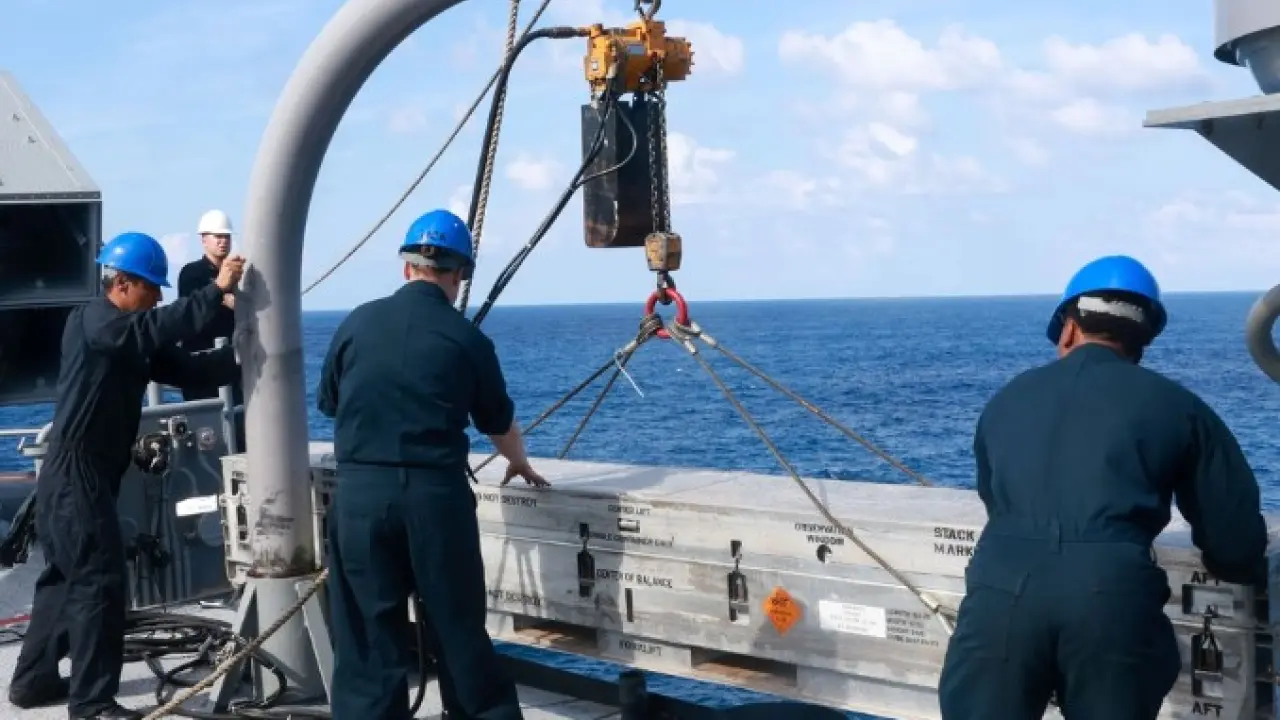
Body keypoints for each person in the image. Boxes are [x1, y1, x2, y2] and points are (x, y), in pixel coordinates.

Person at [937, 255, 1269, 720]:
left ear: (1069, 329)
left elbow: (996, 498)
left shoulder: (1006, 399)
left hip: (1000, 593)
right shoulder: (1181, 407)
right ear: (1143, 339)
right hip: (1111, 598)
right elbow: (1234, 542)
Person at [317, 209, 548, 720]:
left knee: (366, 642)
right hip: (434, 502)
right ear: (459, 275)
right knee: (458, 632)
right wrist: (520, 463)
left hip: (359, 500)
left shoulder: (356, 323)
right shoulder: (467, 339)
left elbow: (330, 403)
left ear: (407, 268)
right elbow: (498, 423)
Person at [7, 232, 245, 720]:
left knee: (63, 580)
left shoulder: (128, 337)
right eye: (152, 288)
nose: (157, 297)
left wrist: (240, 353)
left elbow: (186, 369)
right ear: (122, 284)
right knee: (99, 583)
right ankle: (92, 705)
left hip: (84, 474)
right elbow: (158, 325)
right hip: (75, 472)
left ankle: (32, 682)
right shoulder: (95, 320)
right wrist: (213, 289)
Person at [176, 209, 246, 451]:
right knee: (205, 431)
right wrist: (226, 296)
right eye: (217, 236)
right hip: (201, 362)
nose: (223, 241)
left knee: (238, 427)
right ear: (204, 239)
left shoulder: (239, 275)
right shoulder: (192, 273)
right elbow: (199, 304)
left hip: (232, 362)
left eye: (226, 236)